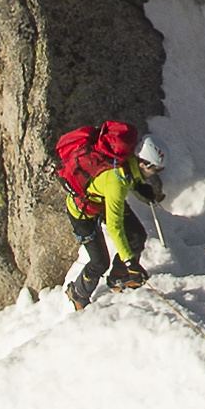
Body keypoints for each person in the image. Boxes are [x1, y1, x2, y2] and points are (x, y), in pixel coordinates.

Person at [51, 117, 163, 304]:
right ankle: (78, 293)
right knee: (99, 263)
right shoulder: (117, 183)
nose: (155, 175)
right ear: (144, 163)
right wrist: (130, 261)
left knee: (136, 236)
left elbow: (127, 172)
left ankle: (120, 276)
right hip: (83, 212)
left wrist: (138, 186)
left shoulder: (126, 159)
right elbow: (114, 226)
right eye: (155, 170)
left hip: (100, 201)